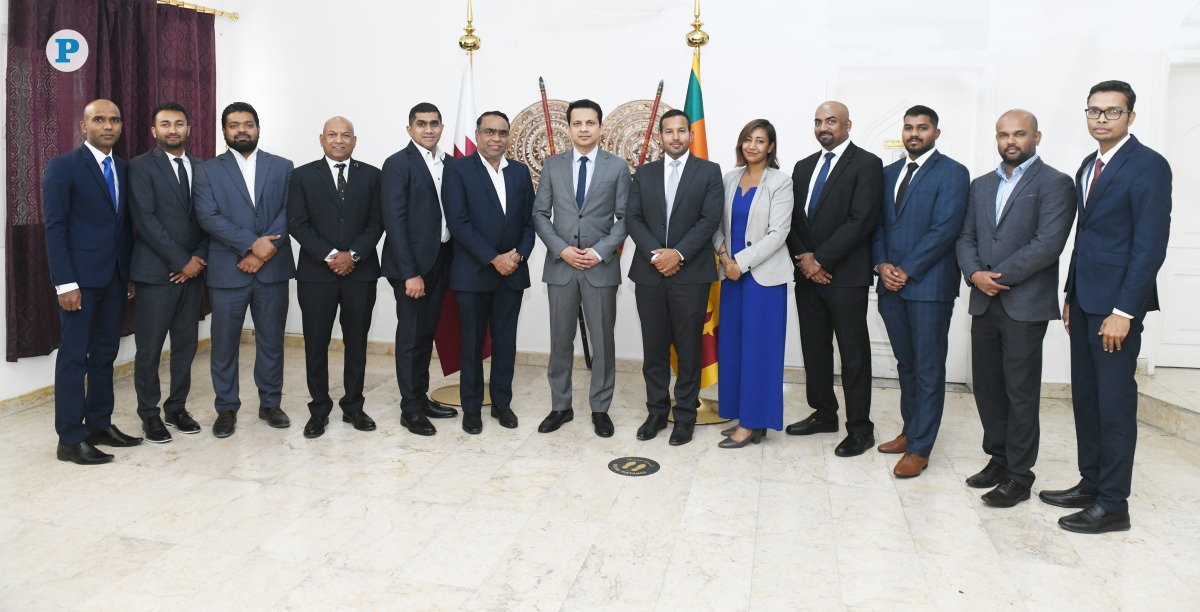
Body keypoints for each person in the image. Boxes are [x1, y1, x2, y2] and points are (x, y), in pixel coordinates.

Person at [1041, 80, 1172, 534]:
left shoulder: (1149, 166)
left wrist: (1124, 311)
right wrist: (1071, 295)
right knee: (1087, 400)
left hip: (1118, 308)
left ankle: (1114, 504)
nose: (1101, 119)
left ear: (1130, 117)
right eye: (1094, 111)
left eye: (1112, 112)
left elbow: (1149, 246)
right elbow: (1087, 239)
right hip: (1085, 302)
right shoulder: (1087, 164)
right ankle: (1091, 483)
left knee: (1115, 406)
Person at [955, 110, 1075, 507]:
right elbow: (965, 237)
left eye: (1019, 134)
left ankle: (1020, 476)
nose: (1011, 141)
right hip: (983, 301)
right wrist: (975, 274)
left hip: (1024, 304)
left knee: (1020, 392)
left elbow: (1047, 244)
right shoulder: (980, 185)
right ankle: (999, 459)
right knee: (988, 387)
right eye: (1004, 134)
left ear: (1036, 137)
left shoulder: (1056, 183)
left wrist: (997, 277)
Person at [871, 105, 969, 477]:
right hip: (891, 286)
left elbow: (945, 229)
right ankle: (910, 431)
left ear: (936, 133)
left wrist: (907, 270)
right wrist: (882, 265)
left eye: (923, 128)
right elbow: (877, 225)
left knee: (928, 368)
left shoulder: (953, 173)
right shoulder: (888, 173)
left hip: (929, 287)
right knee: (906, 364)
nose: (915, 134)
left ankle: (922, 447)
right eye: (909, 128)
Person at [44, 99, 142, 464]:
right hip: (79, 283)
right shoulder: (64, 166)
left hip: (115, 279)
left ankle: (99, 424)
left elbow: (123, 228)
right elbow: (55, 227)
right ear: (84, 126)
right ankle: (70, 439)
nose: (108, 126)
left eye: (114, 120)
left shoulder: (122, 166)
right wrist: (64, 284)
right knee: (74, 358)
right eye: (99, 119)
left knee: (105, 355)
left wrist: (127, 273)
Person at [785, 101, 883, 457]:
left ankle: (860, 428)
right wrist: (805, 261)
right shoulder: (803, 166)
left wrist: (821, 259)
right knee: (815, 350)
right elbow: (792, 219)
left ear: (847, 125)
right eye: (818, 121)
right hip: (807, 277)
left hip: (846, 277)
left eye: (831, 121)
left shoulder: (868, 164)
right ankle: (824, 413)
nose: (824, 127)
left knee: (853, 355)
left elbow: (862, 220)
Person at [194, 101, 295, 438]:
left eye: (248, 124)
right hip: (228, 270)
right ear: (224, 131)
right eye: (234, 125)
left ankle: (270, 403)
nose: (242, 130)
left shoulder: (283, 167)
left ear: (258, 128)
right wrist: (253, 246)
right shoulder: (207, 170)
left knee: (271, 341)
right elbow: (208, 217)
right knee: (223, 343)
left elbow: (289, 211)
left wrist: (266, 251)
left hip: (273, 269)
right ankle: (226, 408)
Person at [532, 99, 629, 438]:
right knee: (560, 341)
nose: (584, 128)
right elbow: (540, 214)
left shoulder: (617, 167)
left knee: (603, 342)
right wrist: (562, 249)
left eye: (590, 123)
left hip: (600, 268)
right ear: (569, 128)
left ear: (601, 128)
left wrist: (600, 252)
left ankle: (600, 408)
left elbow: (624, 218)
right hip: (561, 266)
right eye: (578, 123)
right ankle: (561, 406)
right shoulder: (552, 165)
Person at [626, 109, 723, 446]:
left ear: (690, 135)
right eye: (669, 132)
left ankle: (685, 416)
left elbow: (709, 220)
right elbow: (633, 218)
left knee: (688, 348)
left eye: (682, 131)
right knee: (653, 349)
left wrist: (677, 254)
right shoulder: (644, 172)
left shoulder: (709, 172)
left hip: (691, 274)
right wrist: (658, 254)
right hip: (650, 275)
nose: (676, 137)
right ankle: (656, 412)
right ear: (661, 137)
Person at [287, 116, 383, 439]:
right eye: (332, 134)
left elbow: (377, 222)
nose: (339, 140)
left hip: (361, 274)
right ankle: (319, 410)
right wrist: (331, 256)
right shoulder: (301, 176)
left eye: (345, 135)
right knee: (316, 344)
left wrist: (353, 255)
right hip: (317, 275)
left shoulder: (372, 176)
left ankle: (353, 406)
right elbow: (297, 223)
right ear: (321, 139)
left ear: (355, 141)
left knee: (357, 342)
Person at [442, 111, 536, 434]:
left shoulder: (520, 173)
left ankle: (501, 403)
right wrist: (493, 258)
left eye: (502, 133)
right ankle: (471, 407)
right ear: (478, 135)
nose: (496, 138)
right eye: (489, 132)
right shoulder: (457, 170)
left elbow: (529, 222)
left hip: (512, 273)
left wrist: (518, 256)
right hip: (474, 274)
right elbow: (459, 223)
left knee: (505, 343)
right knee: (471, 344)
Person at [128, 102, 207, 443]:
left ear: (189, 129)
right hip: (155, 273)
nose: (172, 129)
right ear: (154, 130)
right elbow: (145, 221)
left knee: (186, 346)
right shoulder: (140, 168)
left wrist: (198, 260)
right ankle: (149, 414)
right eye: (165, 124)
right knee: (149, 349)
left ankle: (176, 408)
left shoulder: (204, 169)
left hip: (194, 273)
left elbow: (210, 218)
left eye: (179, 123)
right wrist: (181, 262)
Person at [713, 119, 794, 448]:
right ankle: (741, 413)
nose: (753, 146)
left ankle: (752, 423)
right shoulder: (729, 178)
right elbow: (716, 225)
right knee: (733, 347)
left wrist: (741, 264)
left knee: (760, 351)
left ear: (770, 147)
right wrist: (723, 257)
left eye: (760, 141)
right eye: (748, 139)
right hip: (731, 277)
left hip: (764, 281)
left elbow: (779, 233)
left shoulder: (781, 182)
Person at [380, 103, 459, 437]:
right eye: (421, 124)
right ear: (409, 128)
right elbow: (394, 221)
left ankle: (421, 396)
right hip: (411, 265)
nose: (429, 129)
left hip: (442, 259)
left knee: (427, 333)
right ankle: (409, 409)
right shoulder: (398, 164)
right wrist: (410, 272)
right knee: (411, 336)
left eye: (434, 124)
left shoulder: (451, 164)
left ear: (442, 127)